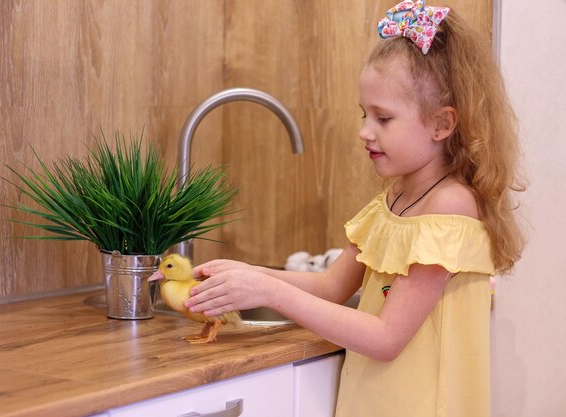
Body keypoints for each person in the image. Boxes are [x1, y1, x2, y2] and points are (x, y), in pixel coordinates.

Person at [184, 1, 525, 416]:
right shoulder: (394, 200)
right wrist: (248, 274)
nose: (365, 131)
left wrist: (267, 290)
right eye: (365, 114)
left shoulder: (450, 206)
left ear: (442, 124)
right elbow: (332, 286)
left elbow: (385, 337)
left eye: (384, 118)